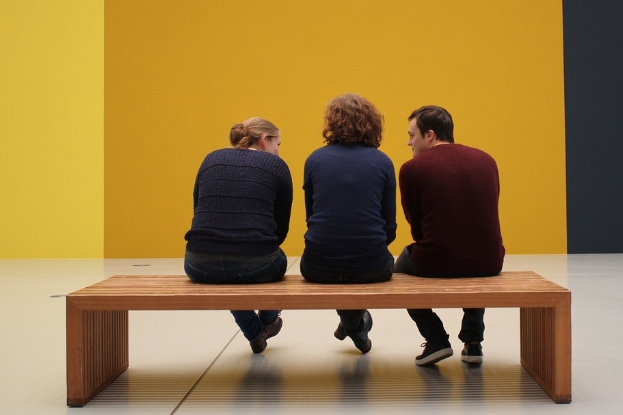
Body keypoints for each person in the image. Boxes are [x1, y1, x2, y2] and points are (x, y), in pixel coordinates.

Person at [395, 105, 506, 366]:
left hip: (438, 260)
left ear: (430, 135)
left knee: (398, 270)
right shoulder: (487, 160)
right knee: (474, 255)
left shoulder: (412, 169)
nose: (409, 142)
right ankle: (473, 341)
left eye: (412, 135)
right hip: (490, 261)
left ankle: (436, 339)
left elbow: (417, 229)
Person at [183, 117, 293, 353]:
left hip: (198, 265)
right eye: (277, 144)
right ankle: (268, 321)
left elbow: (197, 208)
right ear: (264, 139)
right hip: (257, 265)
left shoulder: (211, 159)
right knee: (272, 260)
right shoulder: (276, 166)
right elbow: (280, 230)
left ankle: (254, 333)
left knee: (229, 275)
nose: (278, 151)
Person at [300, 94, 397, 354]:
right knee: (365, 264)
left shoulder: (314, 160)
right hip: (373, 266)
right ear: (373, 123)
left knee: (339, 264)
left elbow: (312, 218)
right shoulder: (383, 162)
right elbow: (389, 229)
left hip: (317, 266)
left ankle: (353, 324)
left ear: (331, 121)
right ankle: (354, 325)